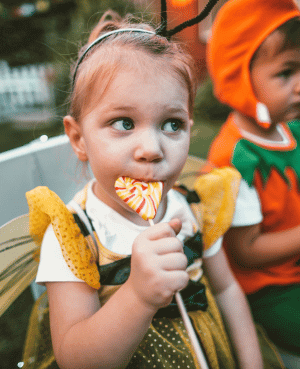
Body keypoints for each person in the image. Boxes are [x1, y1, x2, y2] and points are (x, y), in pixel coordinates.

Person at [21, 10, 283, 369]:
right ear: (79, 138)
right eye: (124, 123)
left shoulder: (193, 209)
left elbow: (225, 290)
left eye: (172, 124)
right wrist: (139, 296)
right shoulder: (75, 236)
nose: (152, 148)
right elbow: (75, 358)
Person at [205, 0, 300, 357]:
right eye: (285, 73)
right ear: (240, 77)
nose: (299, 85)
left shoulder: (292, 132)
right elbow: (246, 252)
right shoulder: (235, 159)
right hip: (269, 290)